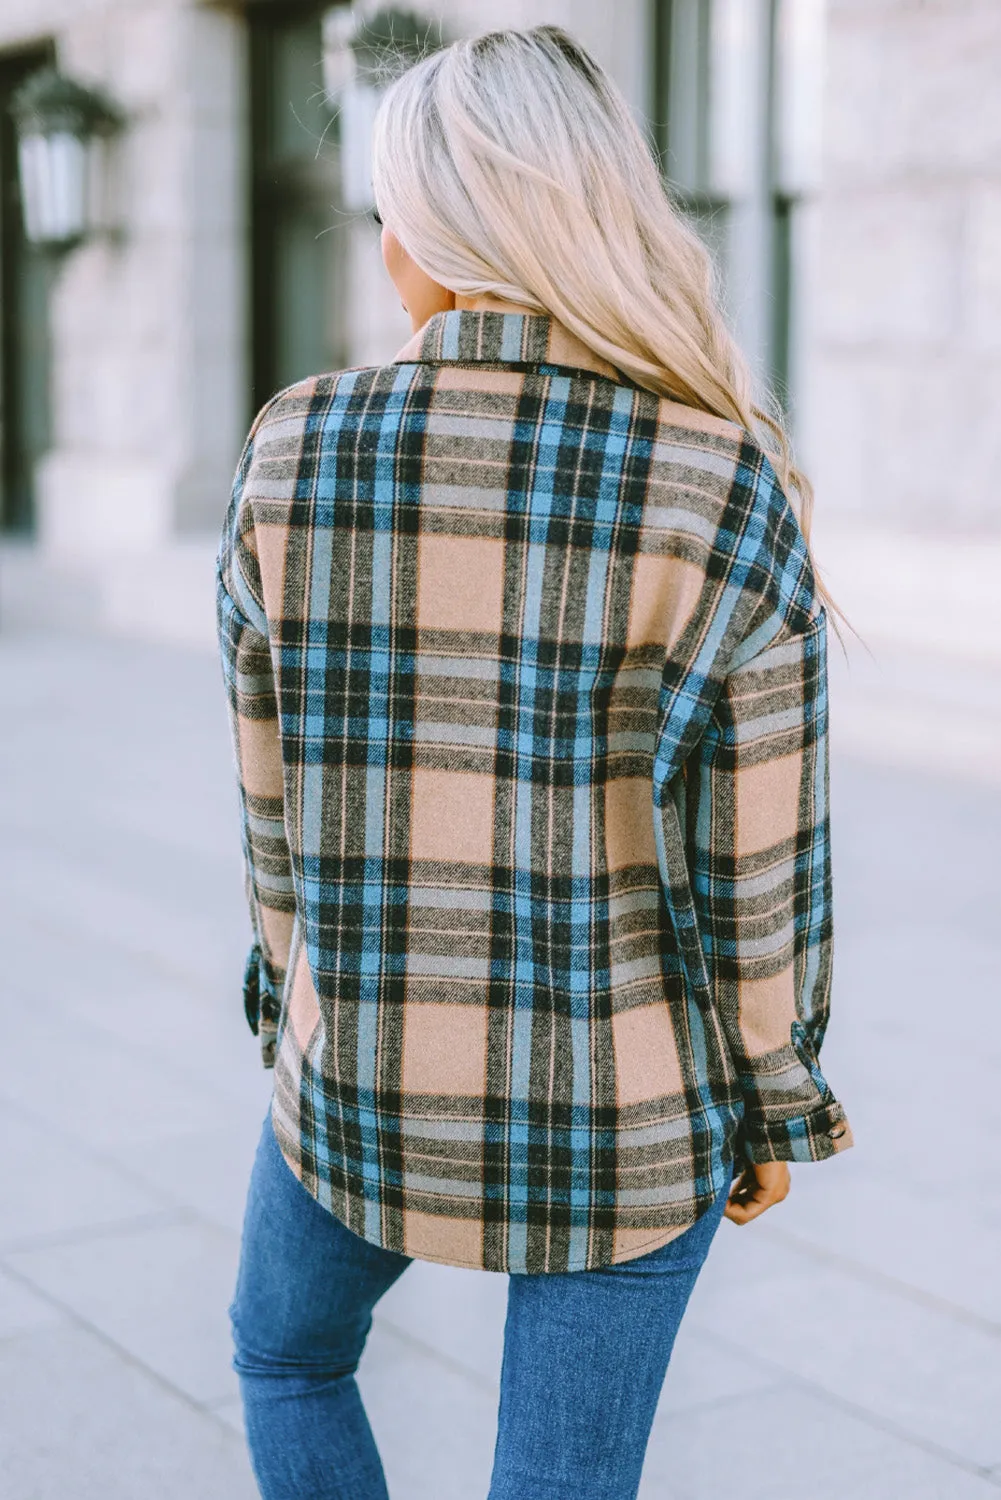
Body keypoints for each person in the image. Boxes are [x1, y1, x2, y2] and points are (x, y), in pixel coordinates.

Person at [218, 25, 852, 1500]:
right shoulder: (722, 484)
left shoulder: (291, 453)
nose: (382, 251)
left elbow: (274, 819)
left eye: (392, 212)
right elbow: (759, 872)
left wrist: (290, 998)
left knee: (285, 1354)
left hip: (358, 1077)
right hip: (628, 1117)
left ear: (442, 232)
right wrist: (773, 1098)